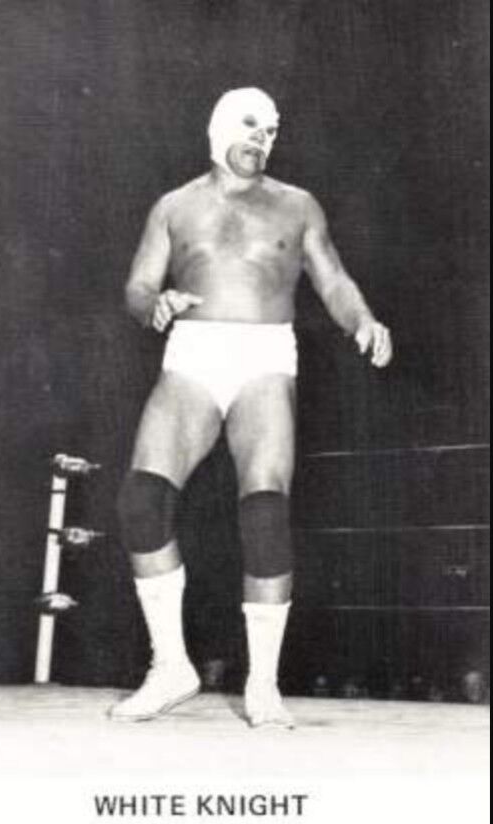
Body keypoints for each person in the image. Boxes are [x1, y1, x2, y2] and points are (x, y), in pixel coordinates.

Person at [111, 87, 392, 727]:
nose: (261, 138)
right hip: (193, 353)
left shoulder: (298, 206)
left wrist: (362, 320)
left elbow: (333, 279)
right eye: (249, 125)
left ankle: (263, 685)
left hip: (265, 357)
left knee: (265, 508)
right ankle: (171, 665)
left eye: (270, 130)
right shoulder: (174, 207)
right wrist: (153, 305)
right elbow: (138, 286)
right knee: (142, 500)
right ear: (217, 128)